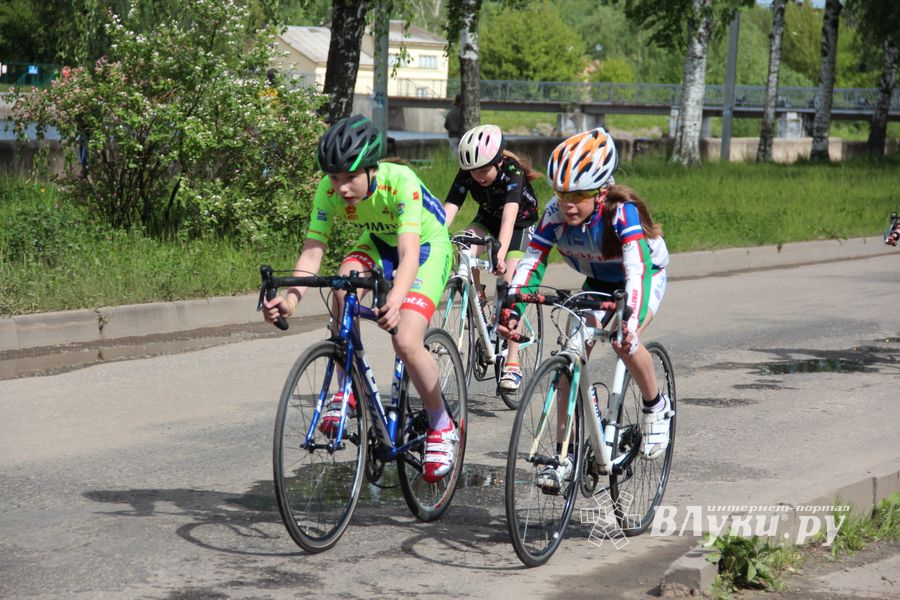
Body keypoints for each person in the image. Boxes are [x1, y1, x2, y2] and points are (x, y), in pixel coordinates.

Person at [261, 114, 457, 483]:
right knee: (341, 285)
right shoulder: (327, 189)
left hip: (428, 247)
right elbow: (312, 251)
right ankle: (345, 389)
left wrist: (397, 298)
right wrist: (290, 300)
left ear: (370, 168)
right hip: (379, 242)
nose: (341, 188)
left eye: (350, 177)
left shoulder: (402, 183)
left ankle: (442, 424)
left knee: (406, 339)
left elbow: (410, 254)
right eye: (334, 178)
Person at [498, 126, 672, 492]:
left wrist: (628, 319)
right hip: (598, 282)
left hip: (640, 278)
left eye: (578, 195)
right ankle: (565, 454)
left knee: (626, 342)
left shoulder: (621, 214)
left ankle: (656, 406)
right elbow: (532, 260)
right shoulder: (554, 214)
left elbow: (636, 272)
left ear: (601, 191)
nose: (568, 204)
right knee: (570, 359)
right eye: (562, 194)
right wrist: (513, 305)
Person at [443, 124, 544, 392]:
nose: (477, 176)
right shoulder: (468, 173)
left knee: (511, 283)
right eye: (472, 171)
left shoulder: (513, 171)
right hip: (489, 217)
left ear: (498, 161)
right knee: (464, 244)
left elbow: (510, 217)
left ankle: (512, 361)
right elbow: (449, 210)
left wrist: (499, 252)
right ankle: (479, 299)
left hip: (520, 224)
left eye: (483, 169)